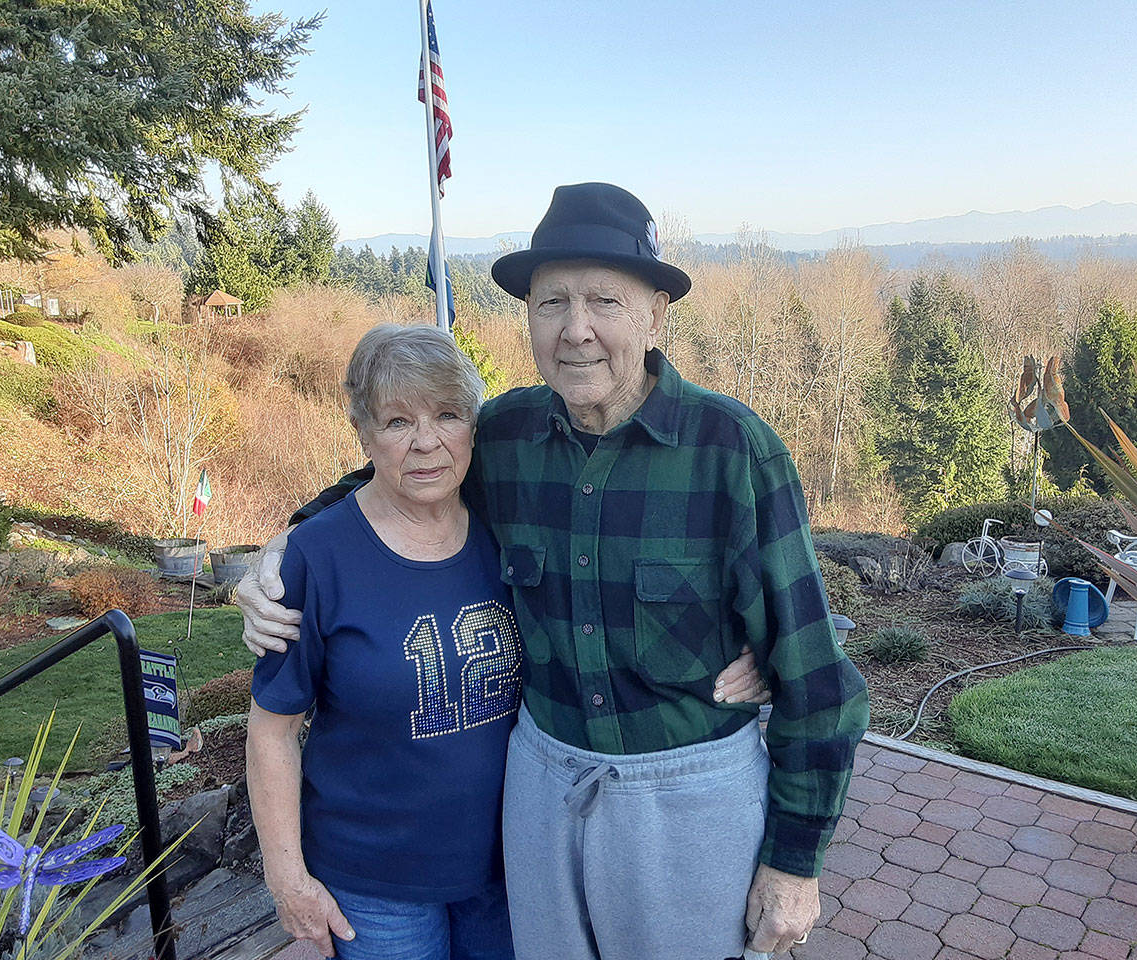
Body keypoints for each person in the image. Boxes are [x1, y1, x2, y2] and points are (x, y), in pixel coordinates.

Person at [239, 183, 869, 960]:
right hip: (540, 798)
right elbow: (394, 470)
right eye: (551, 304)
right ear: (528, 317)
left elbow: (818, 681)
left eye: (605, 300)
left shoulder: (732, 452)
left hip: (687, 803)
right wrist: (286, 544)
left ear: (655, 314)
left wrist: (793, 863)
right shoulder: (503, 435)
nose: (576, 330)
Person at [246, 325, 518, 960]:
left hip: (506, 870)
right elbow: (272, 731)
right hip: (374, 886)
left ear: (473, 426)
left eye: (448, 415)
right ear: (364, 434)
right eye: (398, 422)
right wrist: (288, 880)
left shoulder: (504, 531)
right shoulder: (318, 556)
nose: (426, 442)